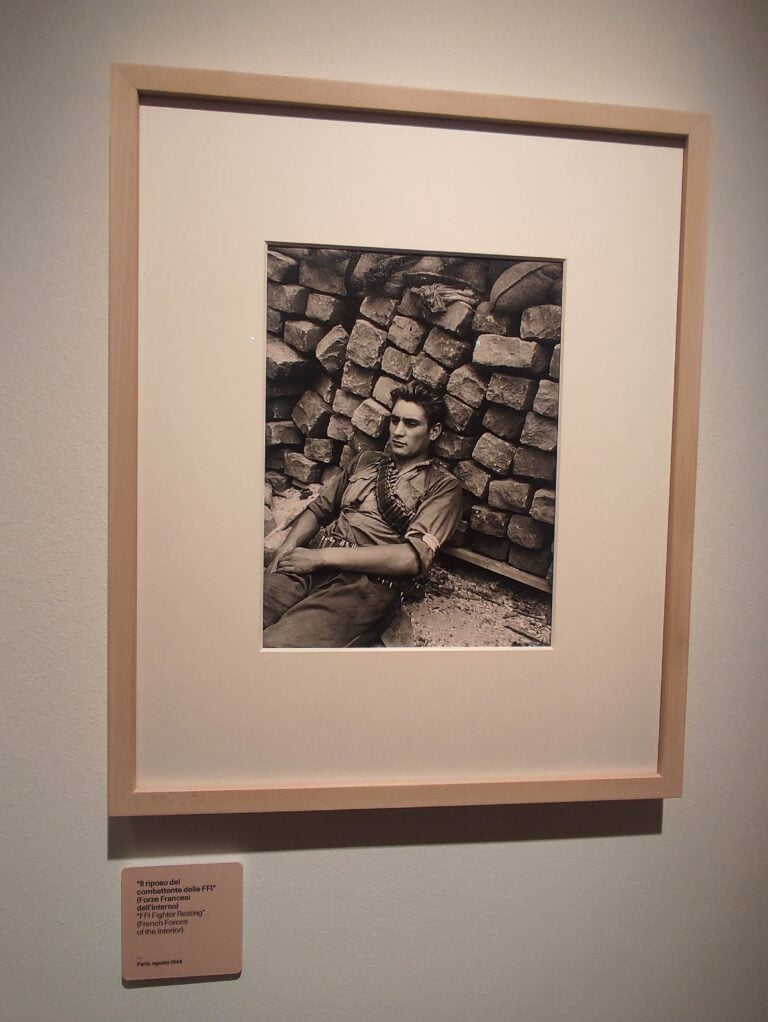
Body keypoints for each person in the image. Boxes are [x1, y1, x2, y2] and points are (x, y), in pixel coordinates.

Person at [263, 381, 463, 647]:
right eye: (395, 421)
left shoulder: (442, 486)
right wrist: (285, 550)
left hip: (363, 585)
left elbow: (410, 559)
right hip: (308, 565)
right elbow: (319, 508)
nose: (398, 432)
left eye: (411, 424)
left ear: (434, 431)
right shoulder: (367, 461)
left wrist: (322, 558)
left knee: (279, 645)